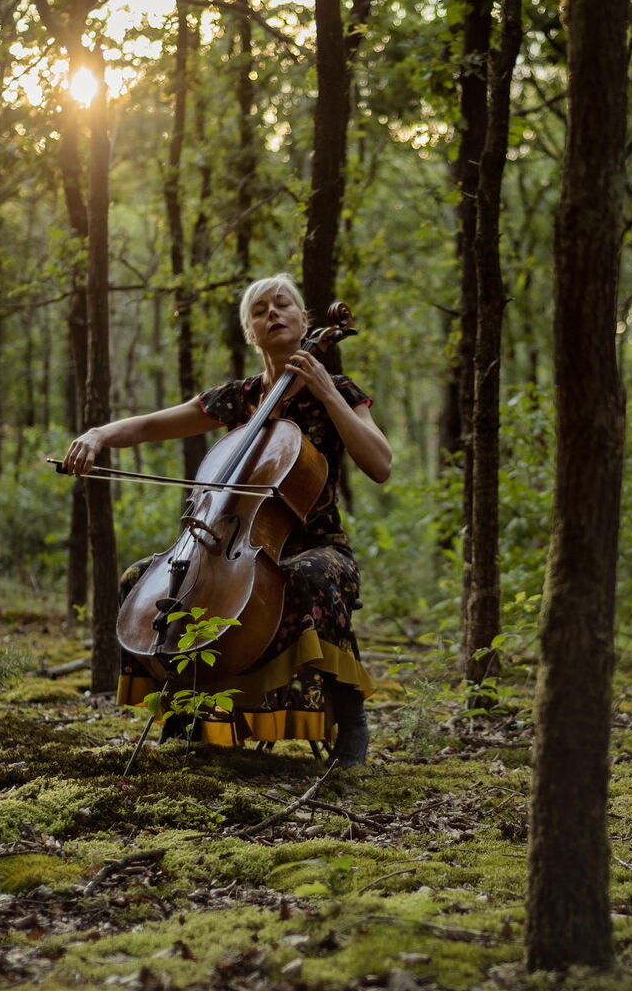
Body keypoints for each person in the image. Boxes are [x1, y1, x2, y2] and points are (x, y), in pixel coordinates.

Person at [61, 273, 391, 767]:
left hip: (315, 545)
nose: (272, 314)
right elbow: (153, 423)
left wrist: (328, 394)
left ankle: (351, 721)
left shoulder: (340, 390)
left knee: (312, 577)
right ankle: (184, 715)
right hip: (234, 546)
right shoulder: (238, 398)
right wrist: (98, 434)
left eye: (283, 305)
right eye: (259, 311)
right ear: (249, 333)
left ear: (305, 321)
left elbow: (380, 464)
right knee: (142, 584)